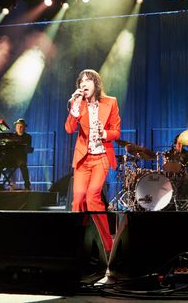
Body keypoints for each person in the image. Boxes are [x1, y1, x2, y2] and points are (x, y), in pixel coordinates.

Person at [65, 69, 120, 251]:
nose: (83, 84)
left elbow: (116, 131)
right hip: (83, 159)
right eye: (81, 81)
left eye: (88, 80)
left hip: (101, 157)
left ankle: (107, 246)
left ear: (96, 84)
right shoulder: (77, 103)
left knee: (92, 197)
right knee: (78, 199)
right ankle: (76, 243)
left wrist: (105, 133)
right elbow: (69, 129)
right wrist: (75, 106)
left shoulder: (110, 102)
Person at [0, 118, 33, 190]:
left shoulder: (28, 137)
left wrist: (15, 145)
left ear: (24, 128)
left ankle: (27, 185)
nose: (20, 128)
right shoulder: (11, 136)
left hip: (20, 159)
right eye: (18, 126)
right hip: (9, 159)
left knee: (23, 165)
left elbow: (26, 148)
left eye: (21, 126)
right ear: (16, 127)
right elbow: (6, 147)